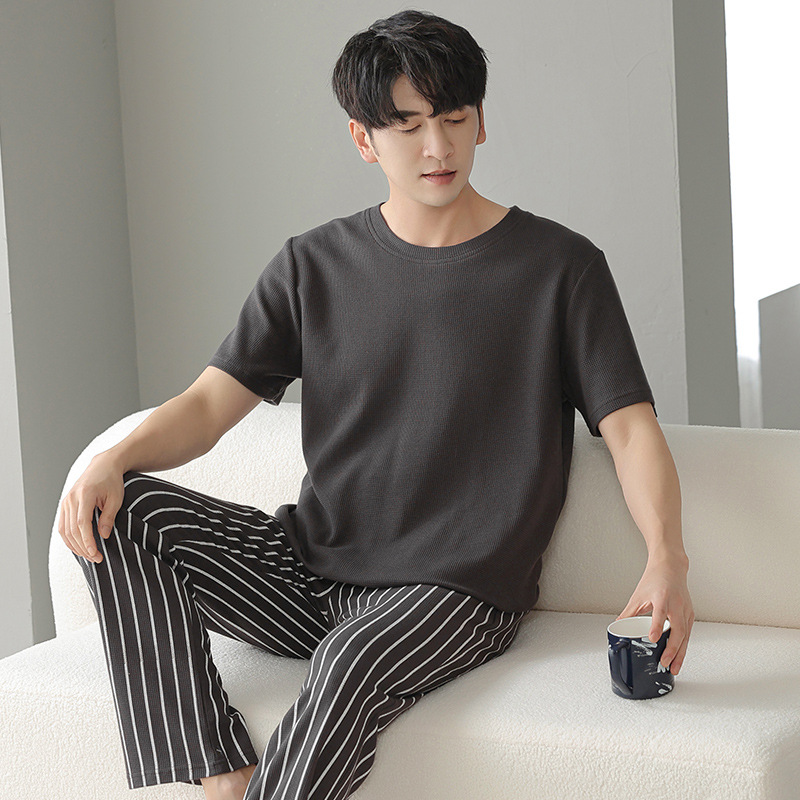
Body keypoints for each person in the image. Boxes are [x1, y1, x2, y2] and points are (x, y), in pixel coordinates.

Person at [58, 10, 694, 800]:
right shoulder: (311, 267)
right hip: (311, 566)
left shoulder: (560, 268)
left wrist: (667, 558)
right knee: (124, 513)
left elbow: (631, 431)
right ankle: (219, 772)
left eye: (454, 119)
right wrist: (110, 458)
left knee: (348, 661)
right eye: (408, 126)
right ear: (364, 138)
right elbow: (207, 407)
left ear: (481, 121)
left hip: (456, 589)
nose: (438, 148)